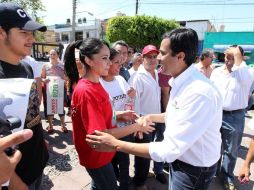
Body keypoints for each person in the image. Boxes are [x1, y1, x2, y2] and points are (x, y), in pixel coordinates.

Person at [86, 28, 223, 190]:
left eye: (162, 53)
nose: (158, 58)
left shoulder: (198, 92)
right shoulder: (181, 81)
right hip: (183, 161)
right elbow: (175, 114)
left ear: (180, 57)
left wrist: (115, 143)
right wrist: (149, 117)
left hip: (193, 169)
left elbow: (168, 149)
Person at [64, 38, 154, 190]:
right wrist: (136, 126)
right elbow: (100, 135)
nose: (110, 63)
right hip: (96, 156)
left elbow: (101, 114)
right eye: (105, 58)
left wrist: (119, 115)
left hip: (102, 153)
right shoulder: (87, 91)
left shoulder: (96, 83)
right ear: (88, 60)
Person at [0, 2, 49, 190]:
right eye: (24, 33)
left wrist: (39, 136)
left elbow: (31, 112)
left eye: (32, 33)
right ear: (2, 32)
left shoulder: (27, 67)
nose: (32, 39)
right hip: (16, 178)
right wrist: (15, 183)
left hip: (38, 162)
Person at [210, 45, 253, 190]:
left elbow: (242, 71)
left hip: (235, 116)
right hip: (216, 114)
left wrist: (235, 54)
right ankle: (212, 173)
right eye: (227, 55)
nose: (228, 58)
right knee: (214, 146)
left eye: (232, 56)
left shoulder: (245, 73)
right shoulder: (216, 72)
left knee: (231, 150)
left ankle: (227, 175)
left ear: (239, 57)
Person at [100, 48, 136, 190]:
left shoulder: (121, 79)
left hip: (124, 127)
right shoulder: (99, 84)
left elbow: (129, 97)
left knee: (124, 161)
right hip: (110, 128)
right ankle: (113, 182)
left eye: (121, 63)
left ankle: (125, 186)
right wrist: (120, 114)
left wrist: (132, 93)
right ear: (108, 63)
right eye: (116, 63)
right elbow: (102, 113)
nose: (120, 66)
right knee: (110, 160)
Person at [131, 44, 166, 189]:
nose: (152, 60)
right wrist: (138, 124)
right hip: (144, 121)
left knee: (153, 149)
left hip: (156, 118)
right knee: (143, 154)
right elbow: (133, 102)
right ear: (142, 58)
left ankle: (144, 174)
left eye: (154, 57)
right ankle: (139, 183)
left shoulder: (156, 73)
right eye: (148, 57)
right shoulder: (138, 77)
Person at [41, 48, 67, 133]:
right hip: (49, 90)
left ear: (58, 55)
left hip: (60, 89)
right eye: (50, 54)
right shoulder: (45, 65)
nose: (52, 56)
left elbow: (67, 78)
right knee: (50, 107)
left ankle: (63, 125)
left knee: (60, 106)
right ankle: (51, 126)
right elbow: (42, 77)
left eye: (54, 54)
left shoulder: (62, 66)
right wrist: (44, 80)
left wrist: (65, 78)